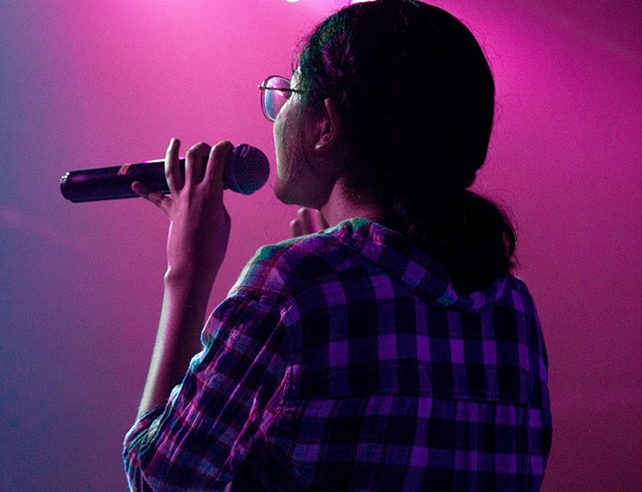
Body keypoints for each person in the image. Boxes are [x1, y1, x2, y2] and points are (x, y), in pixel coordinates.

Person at [122, 0, 552, 490]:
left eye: (287, 95)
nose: (276, 114)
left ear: (325, 125)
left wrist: (189, 271)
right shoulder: (513, 307)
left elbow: (159, 477)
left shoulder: (292, 284)